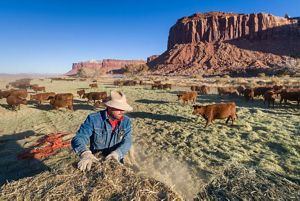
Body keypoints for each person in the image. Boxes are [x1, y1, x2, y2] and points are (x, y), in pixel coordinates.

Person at [71, 90, 133, 171]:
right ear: (110, 107)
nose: (122, 111)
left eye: (123, 109)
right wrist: (85, 153)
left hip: (115, 159)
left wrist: (117, 154)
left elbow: (127, 141)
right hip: (96, 160)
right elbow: (80, 137)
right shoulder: (93, 119)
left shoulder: (126, 121)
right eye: (119, 108)